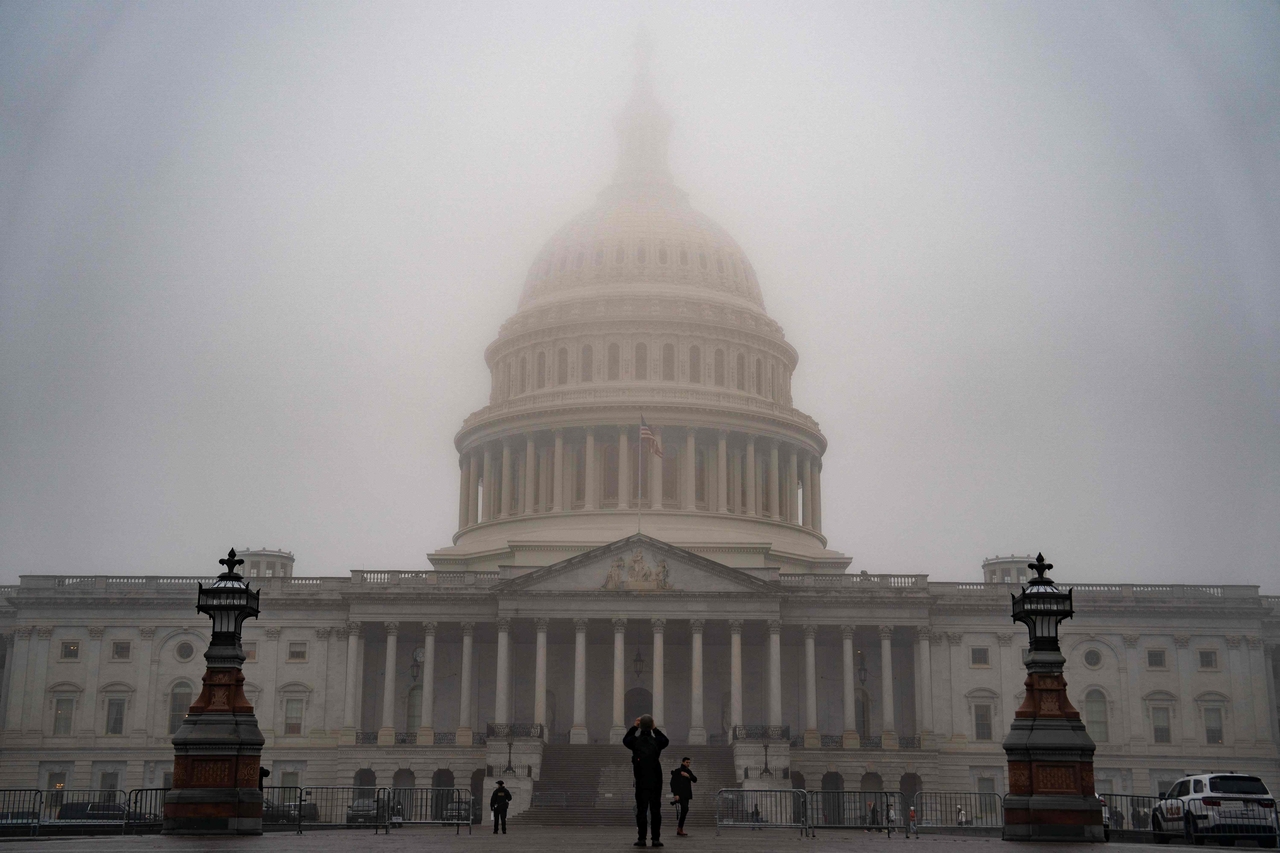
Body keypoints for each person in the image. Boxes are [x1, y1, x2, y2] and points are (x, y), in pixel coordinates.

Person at [624, 714, 669, 848]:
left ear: (640, 726)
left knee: (641, 810)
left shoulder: (635, 741)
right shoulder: (656, 742)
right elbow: (665, 740)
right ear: (651, 726)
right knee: (655, 810)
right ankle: (655, 839)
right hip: (655, 779)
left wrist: (634, 727)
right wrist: (655, 728)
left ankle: (642, 838)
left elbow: (625, 740)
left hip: (641, 779)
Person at [669, 757, 697, 837]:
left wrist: (688, 776)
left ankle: (680, 828)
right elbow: (673, 783)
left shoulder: (688, 771)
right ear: (683, 762)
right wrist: (676, 794)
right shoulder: (677, 771)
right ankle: (679, 828)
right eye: (687, 762)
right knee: (685, 809)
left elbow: (695, 779)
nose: (688, 764)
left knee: (685, 810)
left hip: (686, 794)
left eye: (689, 762)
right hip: (680, 794)